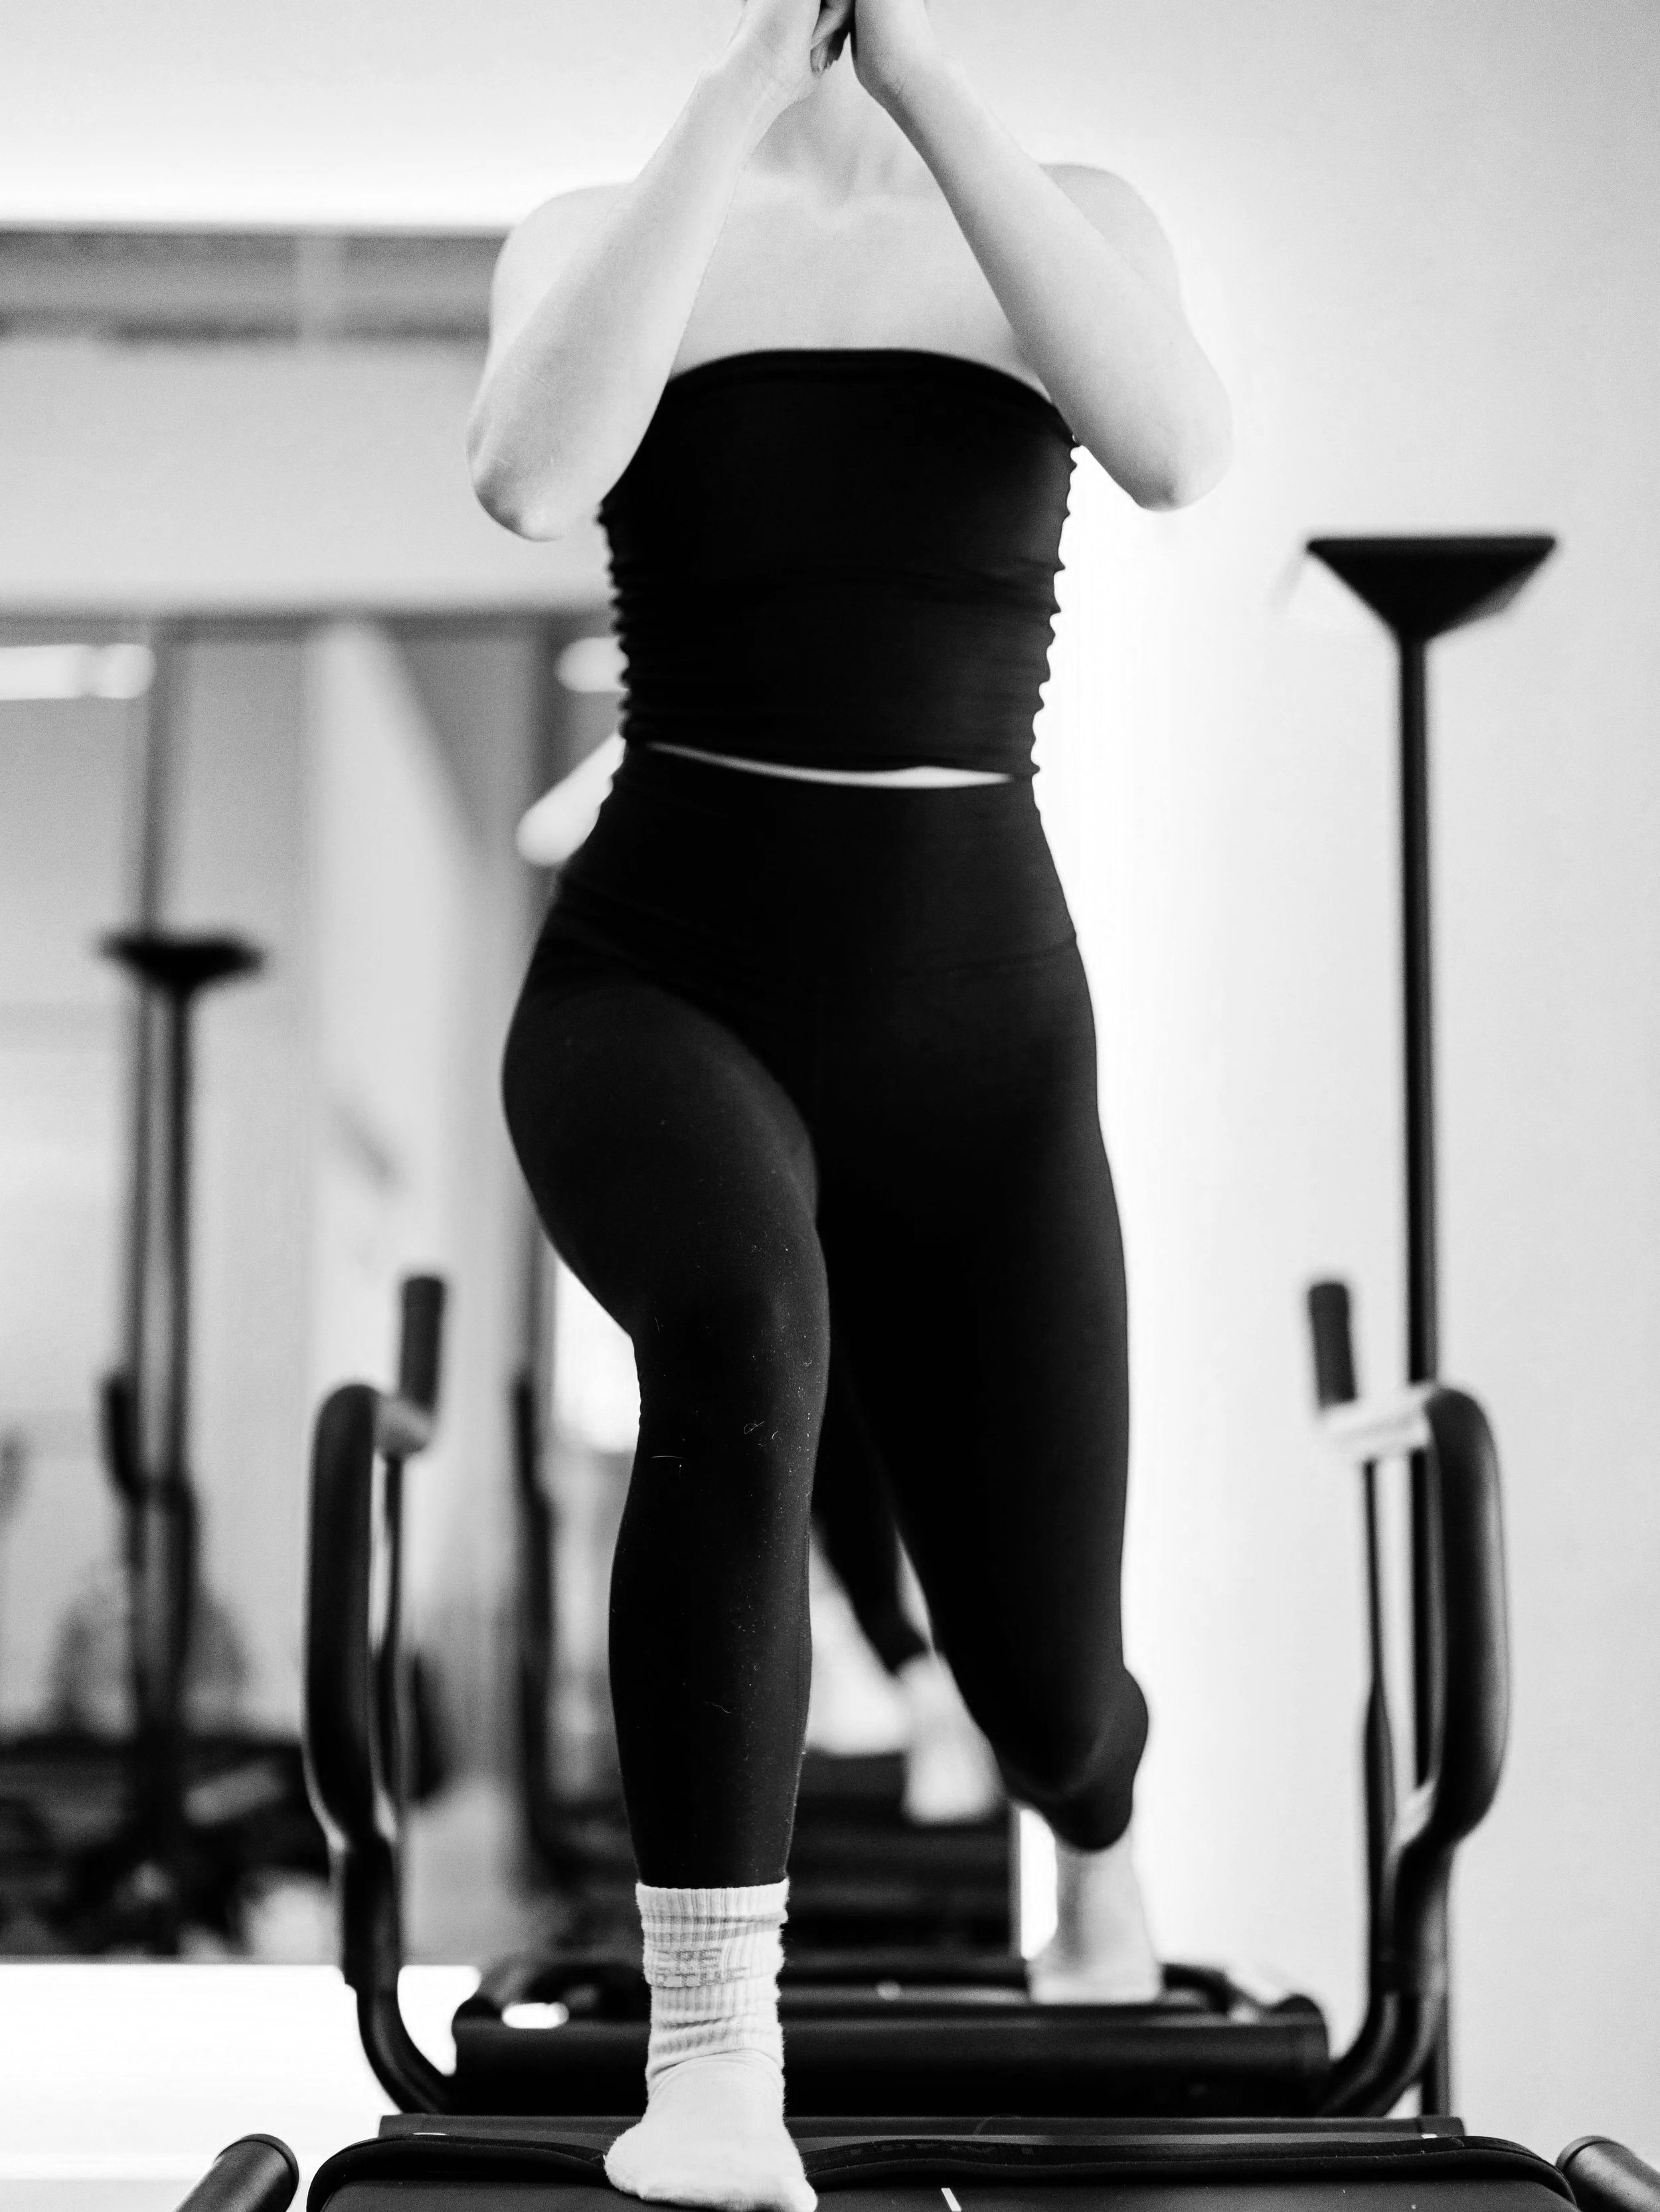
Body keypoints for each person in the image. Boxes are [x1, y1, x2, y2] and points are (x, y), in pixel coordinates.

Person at [469, 0, 1232, 2204]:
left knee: (1039, 1682)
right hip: (660, 970)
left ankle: (1095, 1836)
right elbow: (529, 477)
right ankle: (713, 2059)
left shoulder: (1067, 217)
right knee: (740, 1342)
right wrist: (726, 114)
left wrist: (922, 94)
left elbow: (1178, 449)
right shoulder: (603, 233)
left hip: (975, 1015)